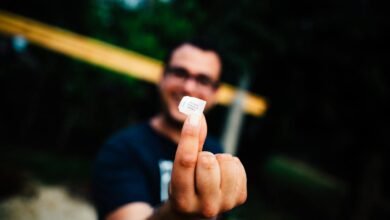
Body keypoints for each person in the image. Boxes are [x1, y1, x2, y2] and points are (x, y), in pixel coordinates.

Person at [92, 38, 247, 220]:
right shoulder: (121, 149)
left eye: (203, 80)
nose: (188, 87)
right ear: (162, 77)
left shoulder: (215, 151)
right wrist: (177, 214)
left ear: (214, 94)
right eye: (180, 73)